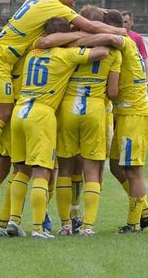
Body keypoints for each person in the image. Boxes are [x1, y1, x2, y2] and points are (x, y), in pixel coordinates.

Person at [0, 0, 127, 188]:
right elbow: (90, 31)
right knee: (4, 114)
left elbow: (58, 34)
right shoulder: (56, 16)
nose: (73, 6)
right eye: (74, 0)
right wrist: (118, 31)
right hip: (5, 63)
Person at [7, 17, 111, 239]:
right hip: (42, 115)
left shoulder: (33, 52)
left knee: (20, 170)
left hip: (20, 110)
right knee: (41, 171)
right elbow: (101, 52)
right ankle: (37, 228)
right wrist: (82, 37)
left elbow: (44, 41)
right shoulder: (65, 55)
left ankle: (14, 220)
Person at [55, 5, 122, 236]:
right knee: (92, 170)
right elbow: (113, 92)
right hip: (94, 108)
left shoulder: (67, 46)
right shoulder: (113, 52)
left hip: (68, 108)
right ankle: (88, 226)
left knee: (64, 168)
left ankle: (65, 224)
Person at [104, 10, 148, 234]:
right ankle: (144, 211)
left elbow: (113, 92)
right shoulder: (126, 43)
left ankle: (134, 224)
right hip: (126, 115)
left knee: (133, 170)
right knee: (116, 165)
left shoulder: (123, 41)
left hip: (134, 114)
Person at [121, 11, 148, 77]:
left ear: (132, 22)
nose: (123, 25)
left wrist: (146, 79)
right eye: (121, 22)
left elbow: (144, 59)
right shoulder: (114, 37)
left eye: (125, 22)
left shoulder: (137, 37)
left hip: (132, 75)